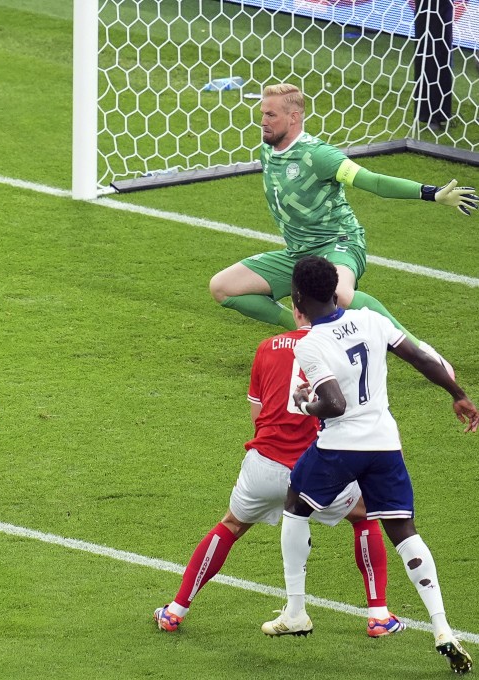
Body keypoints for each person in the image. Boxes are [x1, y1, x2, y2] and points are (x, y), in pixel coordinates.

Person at [268, 255, 478, 673]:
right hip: (385, 444)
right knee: (404, 531)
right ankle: (442, 628)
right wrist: (458, 393)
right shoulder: (370, 319)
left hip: (340, 447)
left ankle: (295, 611)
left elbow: (333, 403)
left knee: (295, 504)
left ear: (297, 298)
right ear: (334, 292)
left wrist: (305, 403)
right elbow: (420, 357)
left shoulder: (310, 344)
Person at [209, 82, 477, 369]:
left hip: (340, 243)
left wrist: (430, 193)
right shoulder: (268, 150)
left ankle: (421, 352)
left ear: (294, 117)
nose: (263, 121)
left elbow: (373, 181)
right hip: (300, 254)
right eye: (262, 113)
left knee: (341, 294)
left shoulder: (320, 156)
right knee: (223, 287)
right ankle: (311, 331)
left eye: (271, 115)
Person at [155, 325, 401, 637]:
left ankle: (175, 610)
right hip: (315, 468)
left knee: (230, 525)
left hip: (264, 465)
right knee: (364, 516)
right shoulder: (338, 349)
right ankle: (378, 615)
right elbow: (345, 412)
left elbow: (257, 415)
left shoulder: (267, 347)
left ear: (297, 304)